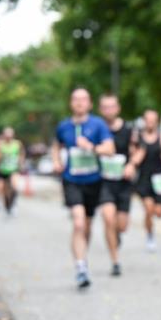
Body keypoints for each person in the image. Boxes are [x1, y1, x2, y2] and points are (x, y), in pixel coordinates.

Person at [52, 88, 114, 289]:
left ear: (90, 104)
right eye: (75, 99)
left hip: (94, 181)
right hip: (72, 180)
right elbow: (56, 146)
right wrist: (56, 161)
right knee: (78, 223)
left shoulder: (98, 124)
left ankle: (83, 258)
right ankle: (80, 267)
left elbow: (110, 149)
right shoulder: (63, 126)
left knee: (86, 225)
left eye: (83, 99)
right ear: (71, 103)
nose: (79, 103)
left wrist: (91, 147)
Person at [98, 94, 138, 276]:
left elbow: (137, 151)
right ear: (100, 109)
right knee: (108, 218)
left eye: (111, 106)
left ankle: (116, 235)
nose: (108, 110)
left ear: (118, 108)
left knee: (121, 225)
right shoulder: (96, 129)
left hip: (123, 183)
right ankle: (115, 261)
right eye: (105, 107)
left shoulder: (129, 129)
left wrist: (131, 165)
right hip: (103, 182)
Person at [132, 109, 161, 252]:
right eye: (148, 120)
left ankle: (151, 228)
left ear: (157, 122)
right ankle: (150, 235)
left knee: (159, 213)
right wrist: (137, 155)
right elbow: (132, 158)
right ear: (144, 121)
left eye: (153, 120)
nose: (150, 123)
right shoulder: (138, 139)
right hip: (144, 179)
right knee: (149, 210)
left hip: (159, 179)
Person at [0, 127, 25, 216]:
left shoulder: (17, 144)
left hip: (14, 169)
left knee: (14, 186)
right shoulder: (0, 145)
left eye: (10, 135)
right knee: (4, 190)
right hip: (3, 169)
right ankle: (7, 205)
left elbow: (21, 153)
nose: (8, 137)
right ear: (4, 135)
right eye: (6, 135)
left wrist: (21, 162)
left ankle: (14, 204)